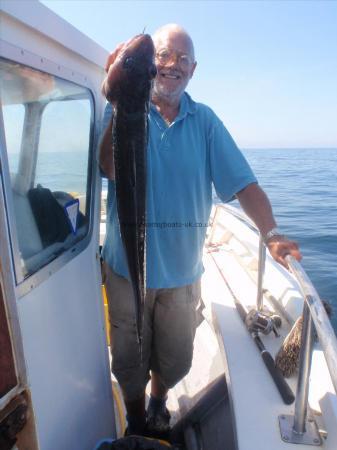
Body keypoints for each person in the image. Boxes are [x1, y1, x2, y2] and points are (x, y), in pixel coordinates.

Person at [99, 24, 302, 438]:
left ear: (193, 70)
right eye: (163, 56)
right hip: (124, 269)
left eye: (182, 59)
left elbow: (244, 184)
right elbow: (107, 167)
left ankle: (159, 404)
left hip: (182, 273)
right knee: (128, 357)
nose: (172, 65)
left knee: (174, 359)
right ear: (149, 69)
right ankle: (136, 420)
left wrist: (271, 234)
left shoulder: (204, 121)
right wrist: (118, 101)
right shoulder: (121, 108)